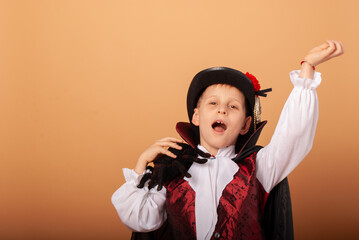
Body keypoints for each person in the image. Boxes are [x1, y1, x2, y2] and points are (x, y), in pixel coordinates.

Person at [111, 40, 344, 240]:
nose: (222, 110)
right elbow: (141, 221)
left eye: (232, 106)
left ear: (244, 125)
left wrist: (307, 69)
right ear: (196, 116)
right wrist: (142, 166)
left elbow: (294, 135)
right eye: (213, 103)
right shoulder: (173, 171)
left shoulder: (260, 167)